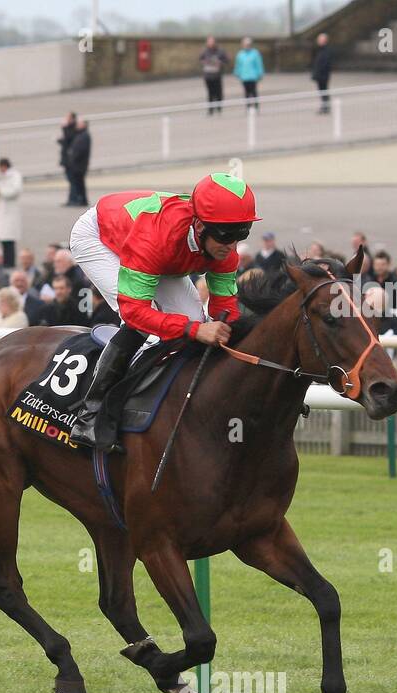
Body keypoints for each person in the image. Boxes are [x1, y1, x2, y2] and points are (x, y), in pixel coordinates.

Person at [66, 172, 257, 450]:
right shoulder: (155, 239)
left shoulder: (225, 249)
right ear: (200, 226)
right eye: (227, 234)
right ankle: (90, 416)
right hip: (100, 237)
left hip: (165, 253)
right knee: (147, 325)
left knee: (195, 322)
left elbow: (224, 308)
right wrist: (195, 329)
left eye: (242, 232)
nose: (231, 245)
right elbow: (135, 313)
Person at [0, 157, 23, 268]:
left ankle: (10, 262)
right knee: (4, 239)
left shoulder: (14, 176)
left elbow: (15, 191)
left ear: (4, 166)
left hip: (10, 211)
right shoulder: (1, 177)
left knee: (9, 239)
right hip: (2, 211)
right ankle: (6, 261)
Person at [200, 37, 229, 116]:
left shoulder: (220, 51)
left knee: (218, 92)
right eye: (209, 42)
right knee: (210, 93)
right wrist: (205, 62)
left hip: (217, 75)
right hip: (208, 75)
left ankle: (219, 108)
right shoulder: (205, 51)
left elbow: (226, 60)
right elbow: (201, 59)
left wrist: (219, 63)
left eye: (212, 42)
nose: (210, 43)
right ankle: (210, 109)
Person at [234, 37, 264, 110]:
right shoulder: (240, 54)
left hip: (253, 76)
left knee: (254, 92)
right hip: (244, 76)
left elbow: (259, 64)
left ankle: (256, 106)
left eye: (248, 44)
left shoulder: (255, 53)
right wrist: (237, 72)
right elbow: (238, 64)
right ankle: (248, 106)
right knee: (246, 92)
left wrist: (260, 73)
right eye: (245, 44)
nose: (247, 45)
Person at [67, 119, 91, 209]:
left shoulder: (84, 136)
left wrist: (73, 157)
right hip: (78, 164)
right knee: (79, 183)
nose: (77, 125)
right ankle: (81, 199)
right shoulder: (80, 134)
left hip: (79, 165)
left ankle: (81, 200)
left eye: (80, 124)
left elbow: (81, 150)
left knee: (79, 183)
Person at [58, 112, 80, 206]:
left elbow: (69, 139)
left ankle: (74, 199)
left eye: (68, 118)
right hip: (69, 160)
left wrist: (64, 127)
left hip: (71, 161)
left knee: (72, 181)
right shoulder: (72, 129)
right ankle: (72, 199)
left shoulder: (72, 128)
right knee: (71, 181)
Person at [311, 33, 333, 114]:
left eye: (320, 40)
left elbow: (325, 64)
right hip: (320, 75)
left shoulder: (326, 50)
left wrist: (319, 73)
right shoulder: (319, 50)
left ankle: (326, 106)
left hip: (323, 75)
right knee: (322, 91)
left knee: (324, 91)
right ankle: (325, 106)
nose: (318, 41)